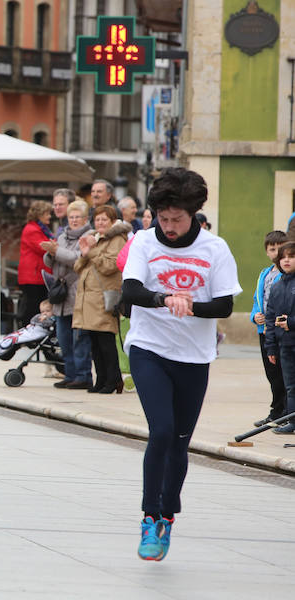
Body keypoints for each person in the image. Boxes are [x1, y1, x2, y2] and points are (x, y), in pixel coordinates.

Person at [120, 167, 240, 561]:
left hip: (193, 357)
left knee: (179, 442)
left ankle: (167, 516)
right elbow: (131, 290)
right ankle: (148, 516)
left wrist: (190, 307)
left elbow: (224, 305)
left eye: (177, 219)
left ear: (194, 215)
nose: (169, 227)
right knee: (162, 431)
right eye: (163, 218)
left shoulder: (214, 249)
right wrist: (163, 299)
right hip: (149, 348)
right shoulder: (143, 241)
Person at [73, 206, 129, 394]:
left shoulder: (117, 239)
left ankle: (113, 379)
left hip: (104, 298)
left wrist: (92, 251)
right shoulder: (95, 238)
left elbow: (110, 266)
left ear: (113, 221)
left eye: (104, 219)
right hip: (89, 298)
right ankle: (101, 379)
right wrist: (85, 253)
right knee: (95, 343)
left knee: (106, 342)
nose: (100, 223)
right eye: (97, 220)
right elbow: (78, 267)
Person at [42, 199, 93, 389]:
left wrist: (56, 251)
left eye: (78, 217)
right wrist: (50, 253)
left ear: (85, 218)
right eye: (71, 217)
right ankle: (69, 374)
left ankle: (83, 375)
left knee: (79, 339)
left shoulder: (89, 236)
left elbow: (76, 259)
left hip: (78, 292)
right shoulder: (62, 236)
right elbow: (51, 262)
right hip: (61, 295)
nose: (74, 220)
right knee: (63, 339)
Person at [250, 231, 287, 427]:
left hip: (281, 331)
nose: (276, 253)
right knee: (271, 373)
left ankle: (286, 412)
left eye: (280, 249)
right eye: (272, 249)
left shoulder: (288, 275)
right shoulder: (264, 274)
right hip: (264, 331)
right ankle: (276, 411)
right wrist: (255, 316)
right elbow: (257, 300)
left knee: (284, 373)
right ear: (266, 251)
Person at [265, 242, 295, 434]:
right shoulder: (277, 286)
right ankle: (292, 420)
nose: (286, 260)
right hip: (285, 345)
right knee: (290, 386)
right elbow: (270, 318)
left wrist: (290, 323)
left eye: (291, 256)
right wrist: (271, 347)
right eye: (283, 257)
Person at [18, 200, 54, 327]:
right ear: (39, 214)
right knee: (33, 306)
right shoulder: (32, 230)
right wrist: (56, 246)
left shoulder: (40, 229)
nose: (49, 216)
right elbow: (43, 248)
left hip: (36, 274)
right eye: (47, 213)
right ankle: (30, 329)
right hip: (33, 275)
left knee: (34, 304)